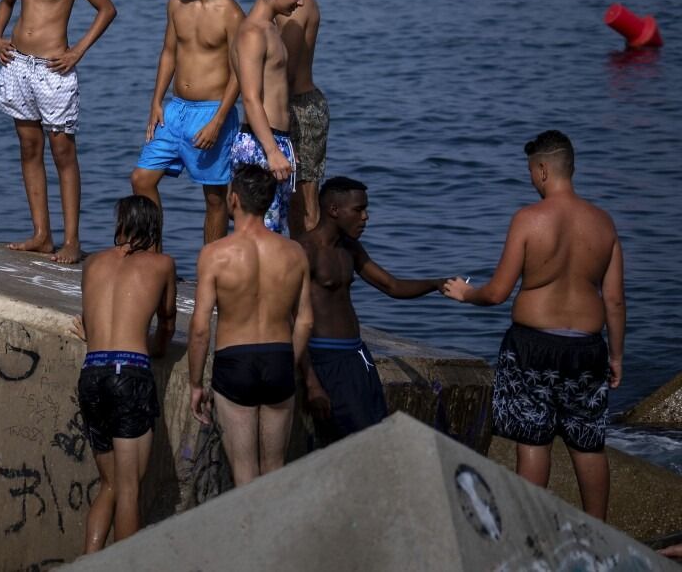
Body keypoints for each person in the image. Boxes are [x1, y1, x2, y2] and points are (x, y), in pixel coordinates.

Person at [443, 130, 625, 520]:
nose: (531, 179)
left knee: (532, 440)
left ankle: (529, 533)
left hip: (532, 348)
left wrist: (464, 293)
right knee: (589, 444)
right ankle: (599, 535)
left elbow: (496, 293)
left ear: (543, 170)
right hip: (588, 348)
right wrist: (618, 356)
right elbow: (613, 300)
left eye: (531, 171)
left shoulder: (528, 220)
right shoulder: (604, 224)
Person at [0, 0, 117, 264]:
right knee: (29, 148)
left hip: (53, 70)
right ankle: (41, 235)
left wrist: (77, 51)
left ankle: (72, 241)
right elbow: (6, 1)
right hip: (18, 65)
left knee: (63, 152)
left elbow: (106, 8)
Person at [189, 164, 312, 486]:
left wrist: (195, 384)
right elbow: (305, 321)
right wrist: (291, 363)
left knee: (244, 475)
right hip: (279, 359)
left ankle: (248, 536)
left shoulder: (214, 254)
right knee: (275, 470)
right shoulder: (294, 252)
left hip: (235, 362)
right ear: (269, 201)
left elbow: (201, 327)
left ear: (233, 199)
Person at [298, 176, 445, 444]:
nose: (365, 217)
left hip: (358, 356)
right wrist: (312, 383)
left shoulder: (349, 248)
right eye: (358, 210)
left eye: (365, 209)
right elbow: (289, 319)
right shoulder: (304, 251)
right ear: (333, 210)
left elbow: (392, 285)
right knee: (354, 442)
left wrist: (436, 284)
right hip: (326, 358)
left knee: (376, 433)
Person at [72, 195, 176, 553]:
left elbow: (92, 319)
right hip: (128, 374)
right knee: (130, 487)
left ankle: (89, 562)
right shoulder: (162, 264)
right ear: (154, 228)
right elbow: (167, 324)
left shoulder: (93, 263)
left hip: (92, 372)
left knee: (111, 484)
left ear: (121, 225)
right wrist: (156, 348)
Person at [130, 0, 244, 245]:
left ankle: (210, 270)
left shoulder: (230, 13)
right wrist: (156, 101)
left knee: (216, 199)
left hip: (211, 112)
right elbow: (169, 52)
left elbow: (240, 73)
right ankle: (154, 258)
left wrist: (219, 120)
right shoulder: (176, 4)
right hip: (175, 110)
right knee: (142, 179)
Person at [248, 0, 327, 237]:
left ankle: (308, 278)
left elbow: (286, 71)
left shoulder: (297, 4)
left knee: (304, 205)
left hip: (300, 109)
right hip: (293, 106)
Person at [229, 0, 310, 234]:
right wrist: (272, 151)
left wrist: (286, 147)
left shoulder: (271, 28)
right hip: (259, 143)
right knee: (257, 236)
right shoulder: (252, 33)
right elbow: (250, 97)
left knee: (274, 233)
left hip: (277, 140)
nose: (300, 2)